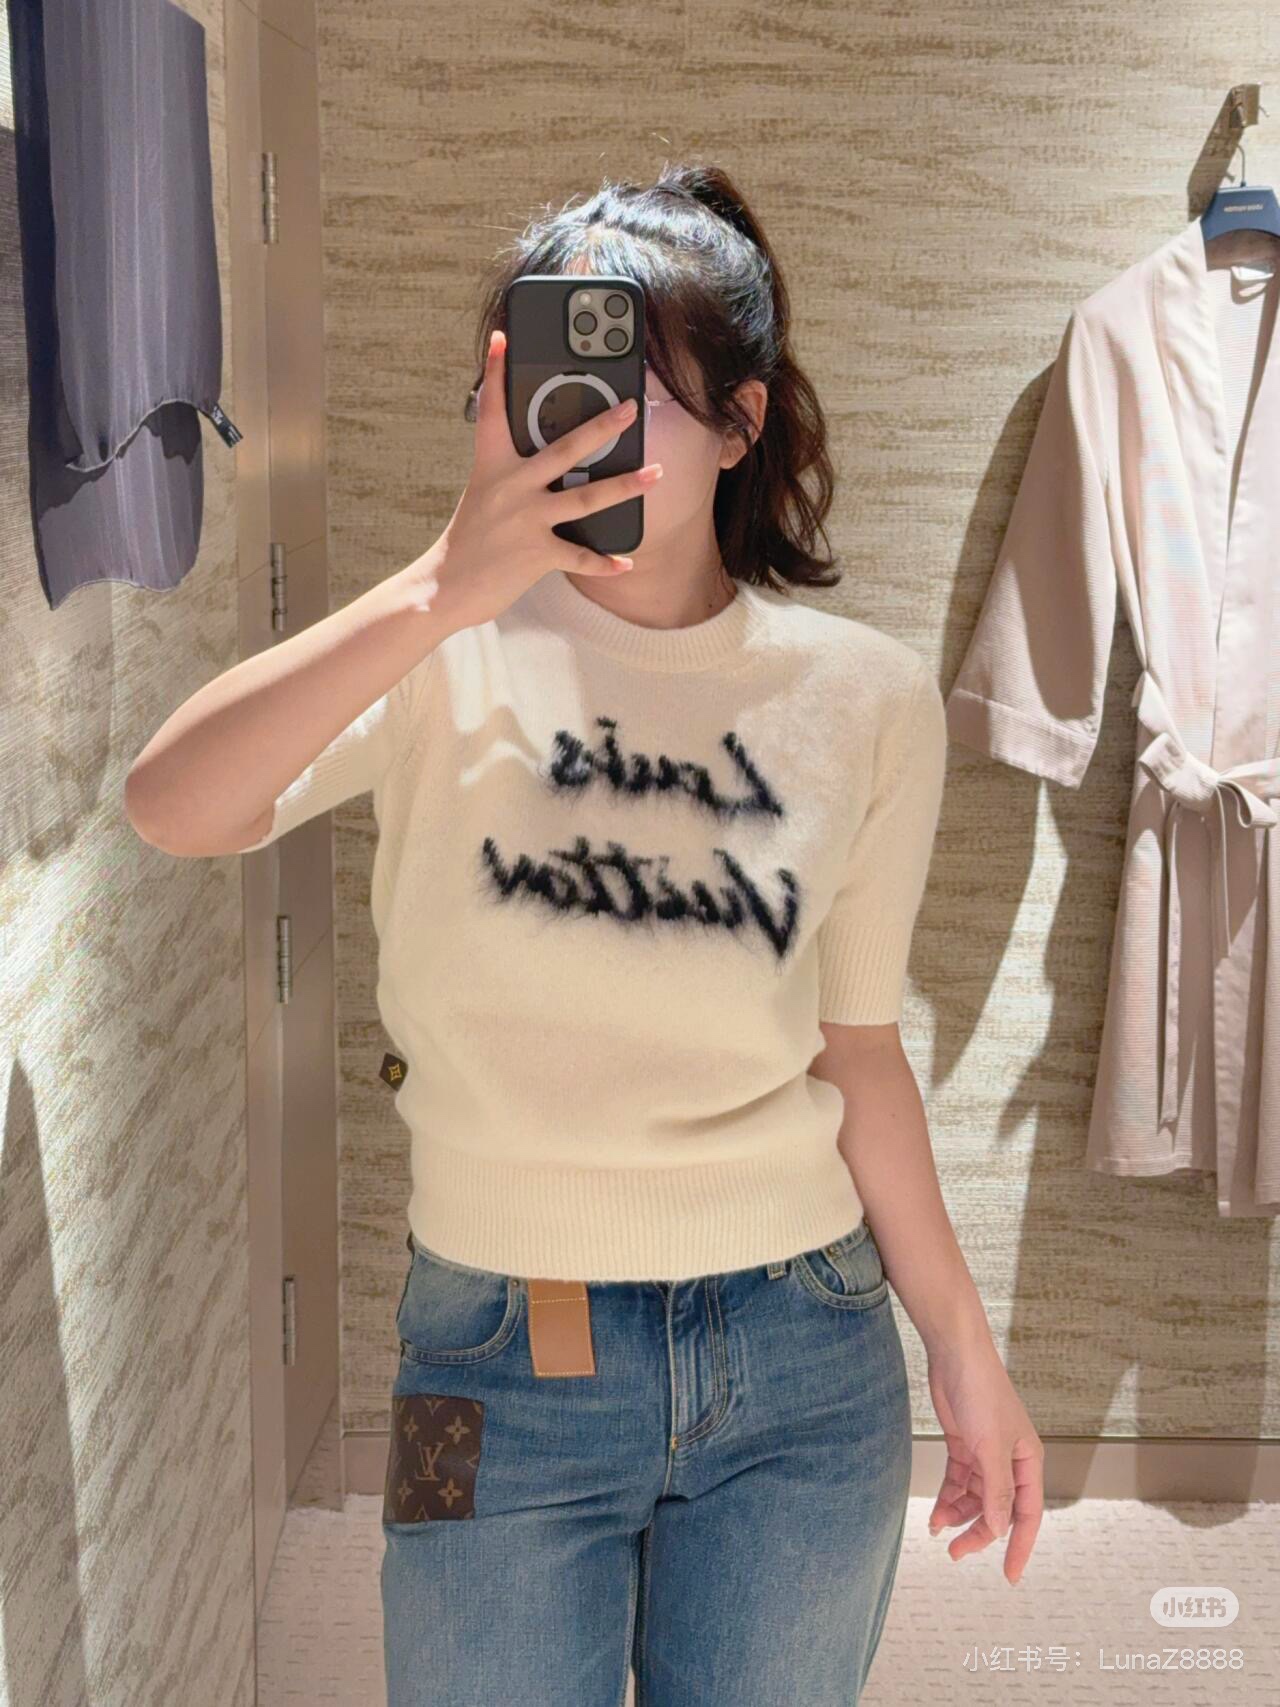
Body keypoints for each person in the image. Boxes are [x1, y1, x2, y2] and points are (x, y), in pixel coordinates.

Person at [126, 161, 1043, 1706]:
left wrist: (962, 1341)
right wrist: (440, 584)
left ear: (742, 422)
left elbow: (860, 1053)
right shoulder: (440, 656)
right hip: (477, 1357)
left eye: (639, 390)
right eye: (549, 380)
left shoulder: (864, 699)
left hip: (806, 1358)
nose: (582, 424)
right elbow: (172, 803)